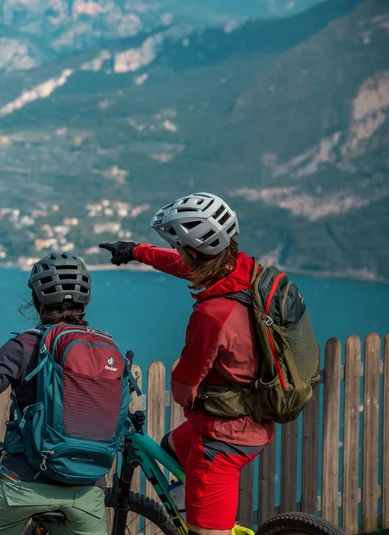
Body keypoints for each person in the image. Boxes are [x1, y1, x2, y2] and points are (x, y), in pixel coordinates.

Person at [99, 192, 275, 535]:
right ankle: (189, 509)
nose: (178, 253)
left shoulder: (213, 315)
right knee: (171, 446)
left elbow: (183, 387)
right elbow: (187, 268)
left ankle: (202, 518)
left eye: (180, 246)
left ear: (194, 251)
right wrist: (136, 251)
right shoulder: (247, 274)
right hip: (249, 413)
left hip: (224, 439)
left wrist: (189, 385)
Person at [0, 252, 111, 535]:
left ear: (37, 302)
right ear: (86, 302)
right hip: (88, 490)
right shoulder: (105, 348)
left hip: (23, 485)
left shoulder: (24, 346)